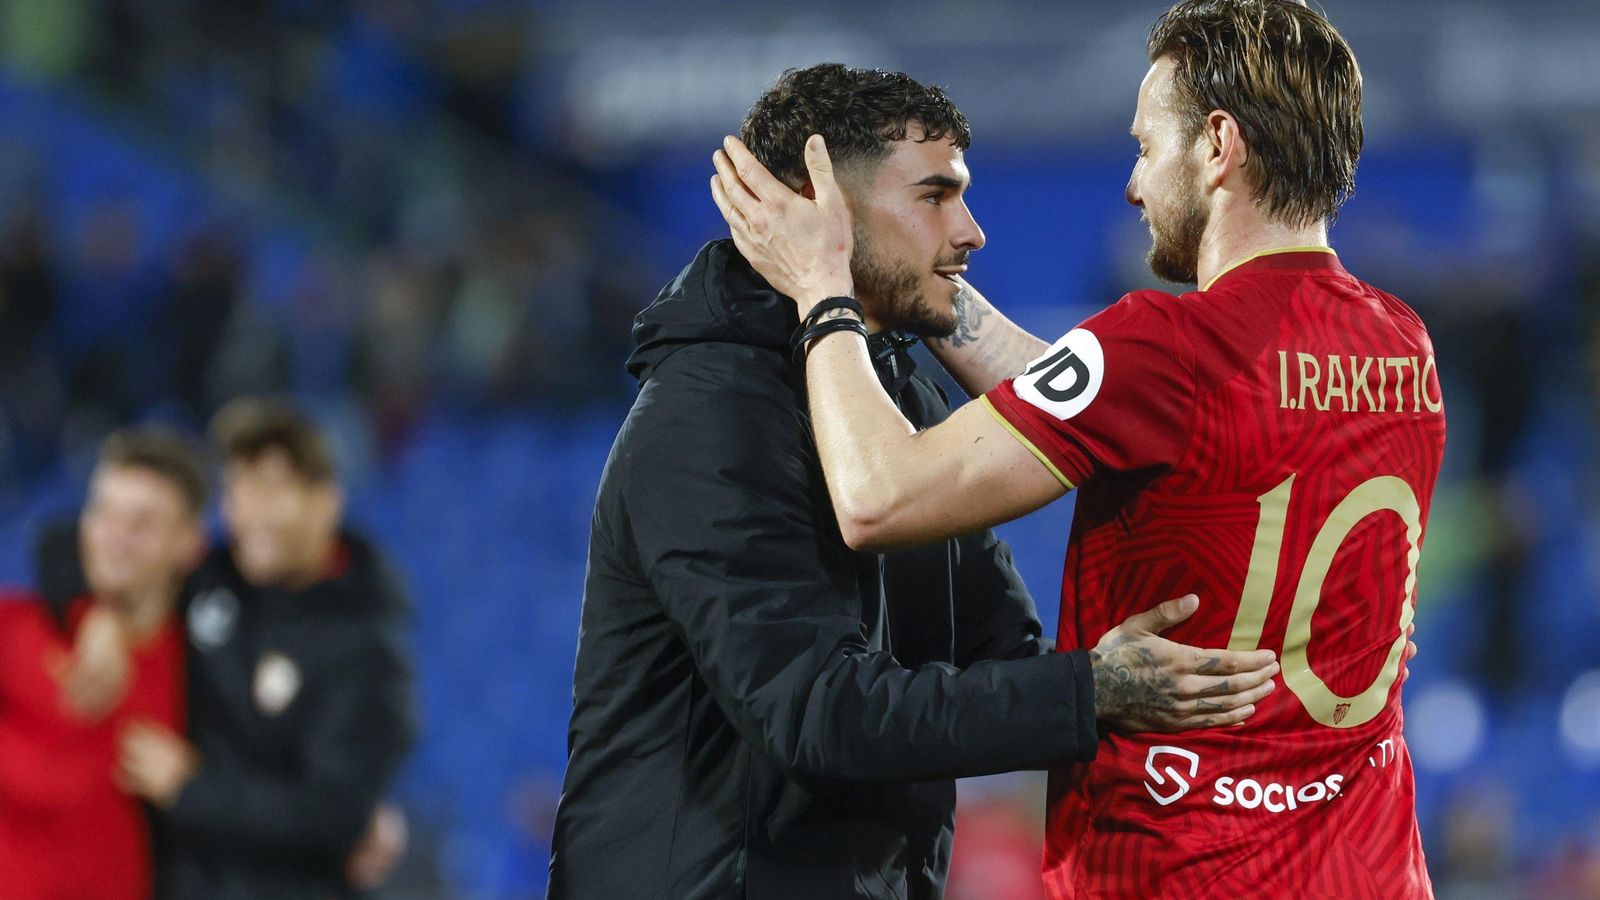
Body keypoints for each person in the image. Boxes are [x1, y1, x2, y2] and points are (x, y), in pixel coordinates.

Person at [711, 2, 1442, 897]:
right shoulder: (1402, 345)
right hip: (1372, 867)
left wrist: (825, 285)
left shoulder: (1164, 348)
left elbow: (877, 497)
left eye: (1146, 148)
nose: (1134, 186)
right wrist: (919, 278)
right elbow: (1113, 403)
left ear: (1218, 146)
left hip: (1178, 871)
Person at [550, 63, 1280, 900]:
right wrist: (1092, 689)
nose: (972, 232)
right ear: (820, 208)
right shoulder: (708, 414)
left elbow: (999, 651)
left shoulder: (901, 397)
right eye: (935, 197)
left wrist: (1131, 675)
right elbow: (819, 711)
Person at [48, 398, 416, 898]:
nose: (250, 512)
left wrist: (194, 790)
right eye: (237, 489)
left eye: (271, 489)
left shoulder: (368, 649)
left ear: (325, 501)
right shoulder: (210, 580)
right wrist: (98, 614)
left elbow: (336, 814)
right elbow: (67, 546)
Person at [0, 428, 203, 899]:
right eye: (103, 512)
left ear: (189, 543)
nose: (115, 537)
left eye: (143, 523)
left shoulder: (203, 663)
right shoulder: (17, 627)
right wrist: (95, 614)